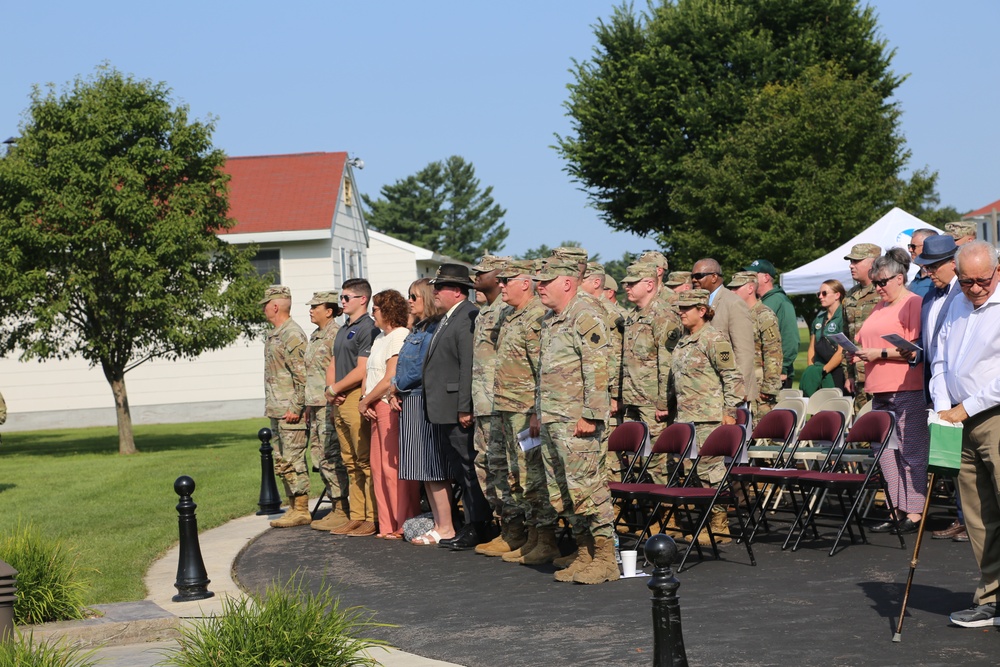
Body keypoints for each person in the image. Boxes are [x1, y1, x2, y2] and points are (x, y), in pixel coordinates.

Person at [534, 252, 616, 584]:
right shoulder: (551, 319)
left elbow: (598, 369)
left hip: (577, 422)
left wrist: (592, 415)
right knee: (564, 492)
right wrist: (539, 413)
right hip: (554, 420)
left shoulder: (584, 314)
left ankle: (606, 558)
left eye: (545, 281)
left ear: (566, 282)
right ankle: (585, 553)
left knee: (588, 489)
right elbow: (546, 372)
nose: (539, 286)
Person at [930, 241, 1000, 627]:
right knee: (977, 515)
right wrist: (943, 403)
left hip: (993, 417)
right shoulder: (956, 302)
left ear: (998, 272)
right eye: (967, 280)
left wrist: (964, 407)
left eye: (982, 280)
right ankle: (990, 598)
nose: (974, 288)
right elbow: (941, 358)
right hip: (957, 421)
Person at [487, 260, 560, 562]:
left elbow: (542, 369)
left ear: (525, 283)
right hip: (505, 406)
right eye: (499, 280)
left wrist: (535, 411)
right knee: (511, 476)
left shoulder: (536, 318)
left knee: (533, 476)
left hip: (525, 409)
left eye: (507, 280)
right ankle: (527, 535)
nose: (500, 285)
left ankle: (546, 539)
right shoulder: (508, 315)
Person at [850, 248, 927, 536]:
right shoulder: (879, 306)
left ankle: (915, 511)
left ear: (899, 277)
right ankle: (896, 508)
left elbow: (916, 349)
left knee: (911, 451)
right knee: (885, 452)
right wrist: (857, 354)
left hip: (906, 386)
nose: (878, 288)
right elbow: (865, 340)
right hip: (878, 388)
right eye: (875, 282)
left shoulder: (913, 303)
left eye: (882, 282)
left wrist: (878, 352)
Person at [422, 264, 491, 550]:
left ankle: (479, 526)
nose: (435, 292)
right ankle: (469, 524)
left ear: (458, 291)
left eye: (441, 287)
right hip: (443, 407)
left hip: (456, 407)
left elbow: (468, 366)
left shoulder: (467, 316)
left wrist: (465, 406)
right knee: (460, 469)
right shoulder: (449, 317)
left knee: (468, 468)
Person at [669, 288, 745, 545]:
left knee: (710, 471)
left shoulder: (714, 339)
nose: (681, 312)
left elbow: (731, 377)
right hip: (687, 417)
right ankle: (707, 521)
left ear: (702, 310)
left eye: (686, 308)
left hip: (709, 417)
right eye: (679, 308)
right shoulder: (684, 339)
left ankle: (719, 525)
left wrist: (729, 412)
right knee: (692, 472)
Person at [911, 235, 967, 542]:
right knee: (949, 459)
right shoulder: (930, 297)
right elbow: (931, 342)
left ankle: (971, 520)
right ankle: (963, 518)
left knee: (967, 459)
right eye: (925, 267)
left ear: (952, 262)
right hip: (936, 389)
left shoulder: (967, 292)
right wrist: (916, 352)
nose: (928, 273)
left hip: (964, 392)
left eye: (933, 267)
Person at [391, 279, 455, 546]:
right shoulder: (416, 328)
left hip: (423, 399)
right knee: (422, 468)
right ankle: (439, 524)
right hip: (410, 400)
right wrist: (396, 389)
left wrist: (397, 385)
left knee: (433, 467)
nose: (409, 301)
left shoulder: (432, 331)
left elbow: (422, 367)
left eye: (414, 296)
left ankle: (446, 526)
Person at [359, 290, 419, 539]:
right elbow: (369, 372)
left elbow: (389, 377)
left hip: (387, 406)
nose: (373, 313)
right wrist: (364, 398)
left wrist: (368, 400)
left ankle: (402, 523)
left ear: (388, 311)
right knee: (378, 468)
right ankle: (386, 525)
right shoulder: (380, 338)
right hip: (373, 406)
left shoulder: (398, 336)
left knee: (392, 467)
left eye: (375, 309)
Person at [620, 261, 682, 483]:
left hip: (653, 402)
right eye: (626, 283)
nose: (626, 287)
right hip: (633, 399)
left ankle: (666, 511)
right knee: (635, 459)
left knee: (657, 461)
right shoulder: (633, 315)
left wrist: (664, 402)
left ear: (648, 284)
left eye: (632, 283)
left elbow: (668, 363)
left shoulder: (663, 315)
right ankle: (644, 510)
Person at [326, 278, 378, 537]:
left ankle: (372, 516)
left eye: (346, 298)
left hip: (355, 396)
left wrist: (336, 389)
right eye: (341, 298)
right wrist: (330, 390)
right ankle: (356, 515)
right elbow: (333, 361)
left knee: (364, 460)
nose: (342, 302)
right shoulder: (343, 327)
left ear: (362, 299)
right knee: (349, 462)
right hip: (339, 399)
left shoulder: (368, 327)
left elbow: (362, 369)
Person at [260, 285, 310, 528]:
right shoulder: (275, 334)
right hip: (278, 410)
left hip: (291, 412)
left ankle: (301, 508)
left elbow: (303, 376)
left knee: (294, 459)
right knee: (282, 460)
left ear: (275, 306)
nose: (263, 309)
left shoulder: (292, 334)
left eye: (265, 304)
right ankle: (293, 506)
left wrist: (297, 407)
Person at [303, 291, 351, 532]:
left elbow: (339, 371)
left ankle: (342, 508)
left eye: (315, 306)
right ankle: (336, 505)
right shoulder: (316, 335)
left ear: (329, 311)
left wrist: (333, 404)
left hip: (329, 405)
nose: (310, 310)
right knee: (320, 457)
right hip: (316, 406)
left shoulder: (336, 334)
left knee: (331, 457)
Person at [470, 254, 511, 534]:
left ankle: (512, 527)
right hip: (482, 402)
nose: (476, 277)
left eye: (482, 273)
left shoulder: (505, 311)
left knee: (502, 466)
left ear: (497, 277)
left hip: (499, 404)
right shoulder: (485, 311)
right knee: (484, 463)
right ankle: (501, 525)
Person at [691, 258, 755, 402]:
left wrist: (738, 391)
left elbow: (744, 352)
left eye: (699, 276)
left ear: (714, 277)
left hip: (728, 392)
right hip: (703, 391)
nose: (694, 280)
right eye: (692, 276)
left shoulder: (733, 303)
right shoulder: (696, 303)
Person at [728, 271, 782, 418]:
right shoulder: (736, 314)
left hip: (759, 387)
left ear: (750, 289)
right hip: (738, 384)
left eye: (736, 288)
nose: (732, 292)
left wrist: (769, 388)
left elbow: (773, 352)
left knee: (761, 435)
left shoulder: (764, 315)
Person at [745, 259, 799, 389]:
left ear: (766, 277)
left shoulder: (780, 301)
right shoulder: (758, 302)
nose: (749, 278)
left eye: (753, 275)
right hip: (758, 372)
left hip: (776, 374)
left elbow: (790, 337)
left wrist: (783, 368)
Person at [842, 243, 882, 411]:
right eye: (851, 261)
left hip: (880, 374)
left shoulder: (884, 291)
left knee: (884, 429)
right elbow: (846, 338)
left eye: (856, 261)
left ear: (872, 263)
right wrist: (848, 375)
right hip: (858, 377)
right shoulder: (850, 296)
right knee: (862, 429)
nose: (851, 265)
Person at [800, 279, 847, 396]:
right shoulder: (819, 318)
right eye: (819, 294)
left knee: (835, 409)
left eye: (824, 293)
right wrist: (812, 371)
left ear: (837, 295)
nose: (820, 296)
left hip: (837, 372)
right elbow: (812, 347)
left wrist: (824, 371)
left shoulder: (844, 316)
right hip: (818, 369)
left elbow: (841, 351)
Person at [907, 228, 939, 299]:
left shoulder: (937, 279)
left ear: (927, 246)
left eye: (913, 246)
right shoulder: (917, 277)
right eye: (909, 246)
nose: (910, 250)